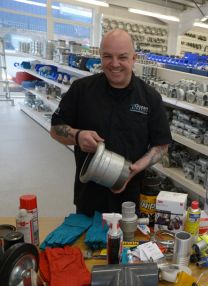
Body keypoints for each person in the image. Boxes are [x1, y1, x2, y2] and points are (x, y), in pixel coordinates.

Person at [50, 29, 172, 216]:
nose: (115, 64)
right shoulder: (81, 90)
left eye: (122, 57)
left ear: (134, 58)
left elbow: (162, 145)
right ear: (100, 56)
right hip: (89, 197)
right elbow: (55, 129)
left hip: (131, 200)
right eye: (108, 56)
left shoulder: (150, 98)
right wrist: (77, 135)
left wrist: (138, 167)